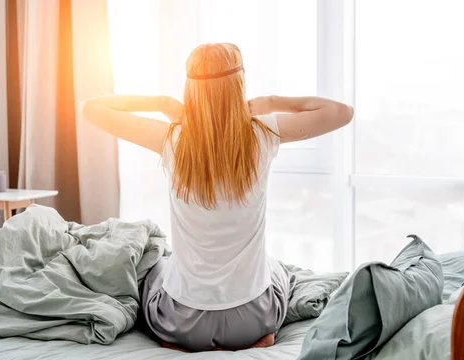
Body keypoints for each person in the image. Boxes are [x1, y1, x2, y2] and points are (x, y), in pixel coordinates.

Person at [80, 43, 353, 352]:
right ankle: (261, 336)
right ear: (239, 83)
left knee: (157, 268)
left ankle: (175, 341)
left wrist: (160, 103)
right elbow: (342, 112)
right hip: (253, 320)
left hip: (182, 323)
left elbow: (91, 108)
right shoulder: (263, 133)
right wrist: (269, 102)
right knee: (275, 267)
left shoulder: (171, 138)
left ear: (190, 89)